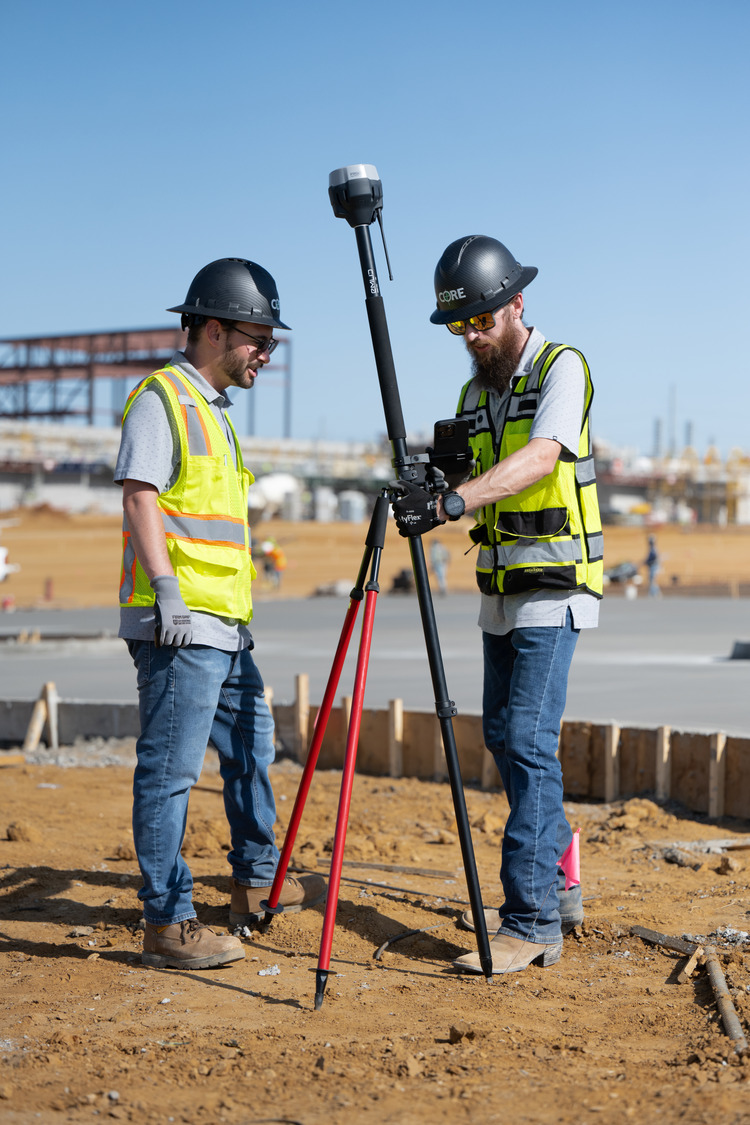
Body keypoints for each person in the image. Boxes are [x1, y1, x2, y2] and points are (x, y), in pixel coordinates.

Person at [392, 236, 603, 975]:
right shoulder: (474, 393)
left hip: (556, 584)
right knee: (506, 742)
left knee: (527, 741)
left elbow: (542, 456)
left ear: (517, 303)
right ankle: (560, 881)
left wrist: (451, 500)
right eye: (461, 327)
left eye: (482, 320)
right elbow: (465, 465)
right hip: (500, 591)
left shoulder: (561, 367)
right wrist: (424, 482)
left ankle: (531, 918)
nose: (473, 337)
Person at [115, 258, 325, 970]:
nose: (265, 352)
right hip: (181, 624)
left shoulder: (214, 411)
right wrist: (166, 588)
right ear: (211, 329)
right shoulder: (162, 399)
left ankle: (256, 875)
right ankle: (169, 923)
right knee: (171, 770)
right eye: (256, 337)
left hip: (225, 625)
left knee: (251, 747)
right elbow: (141, 495)